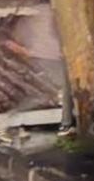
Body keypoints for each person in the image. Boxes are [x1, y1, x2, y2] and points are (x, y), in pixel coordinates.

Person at [6, 7, 75, 136]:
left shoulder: (45, 15)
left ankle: (12, 118)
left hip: (44, 58)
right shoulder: (43, 15)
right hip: (44, 58)